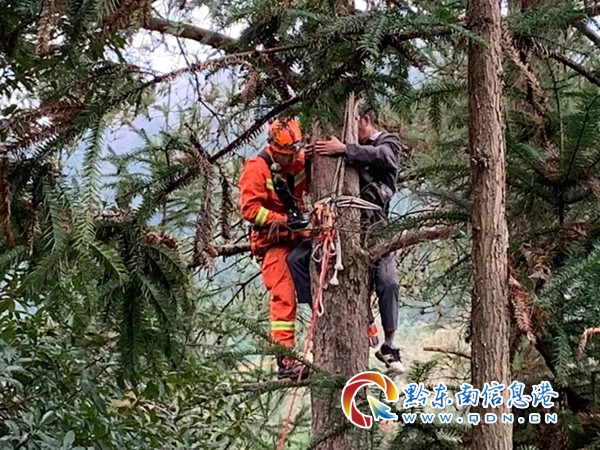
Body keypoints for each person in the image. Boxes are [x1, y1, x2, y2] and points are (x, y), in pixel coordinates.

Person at [286, 102, 406, 373]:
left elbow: (384, 157)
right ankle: (320, 314)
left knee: (388, 281)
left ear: (364, 120)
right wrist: (307, 155)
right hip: (335, 224)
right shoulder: (348, 146)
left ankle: (389, 344)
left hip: (375, 227)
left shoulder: (387, 142)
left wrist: (345, 149)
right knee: (296, 260)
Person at [238, 118, 311, 380]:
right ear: (273, 149)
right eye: (285, 155)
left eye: (294, 153)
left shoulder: (300, 161)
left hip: (299, 237)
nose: (291, 159)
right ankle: (286, 361)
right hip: (274, 242)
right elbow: (250, 210)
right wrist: (283, 220)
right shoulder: (257, 169)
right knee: (284, 296)